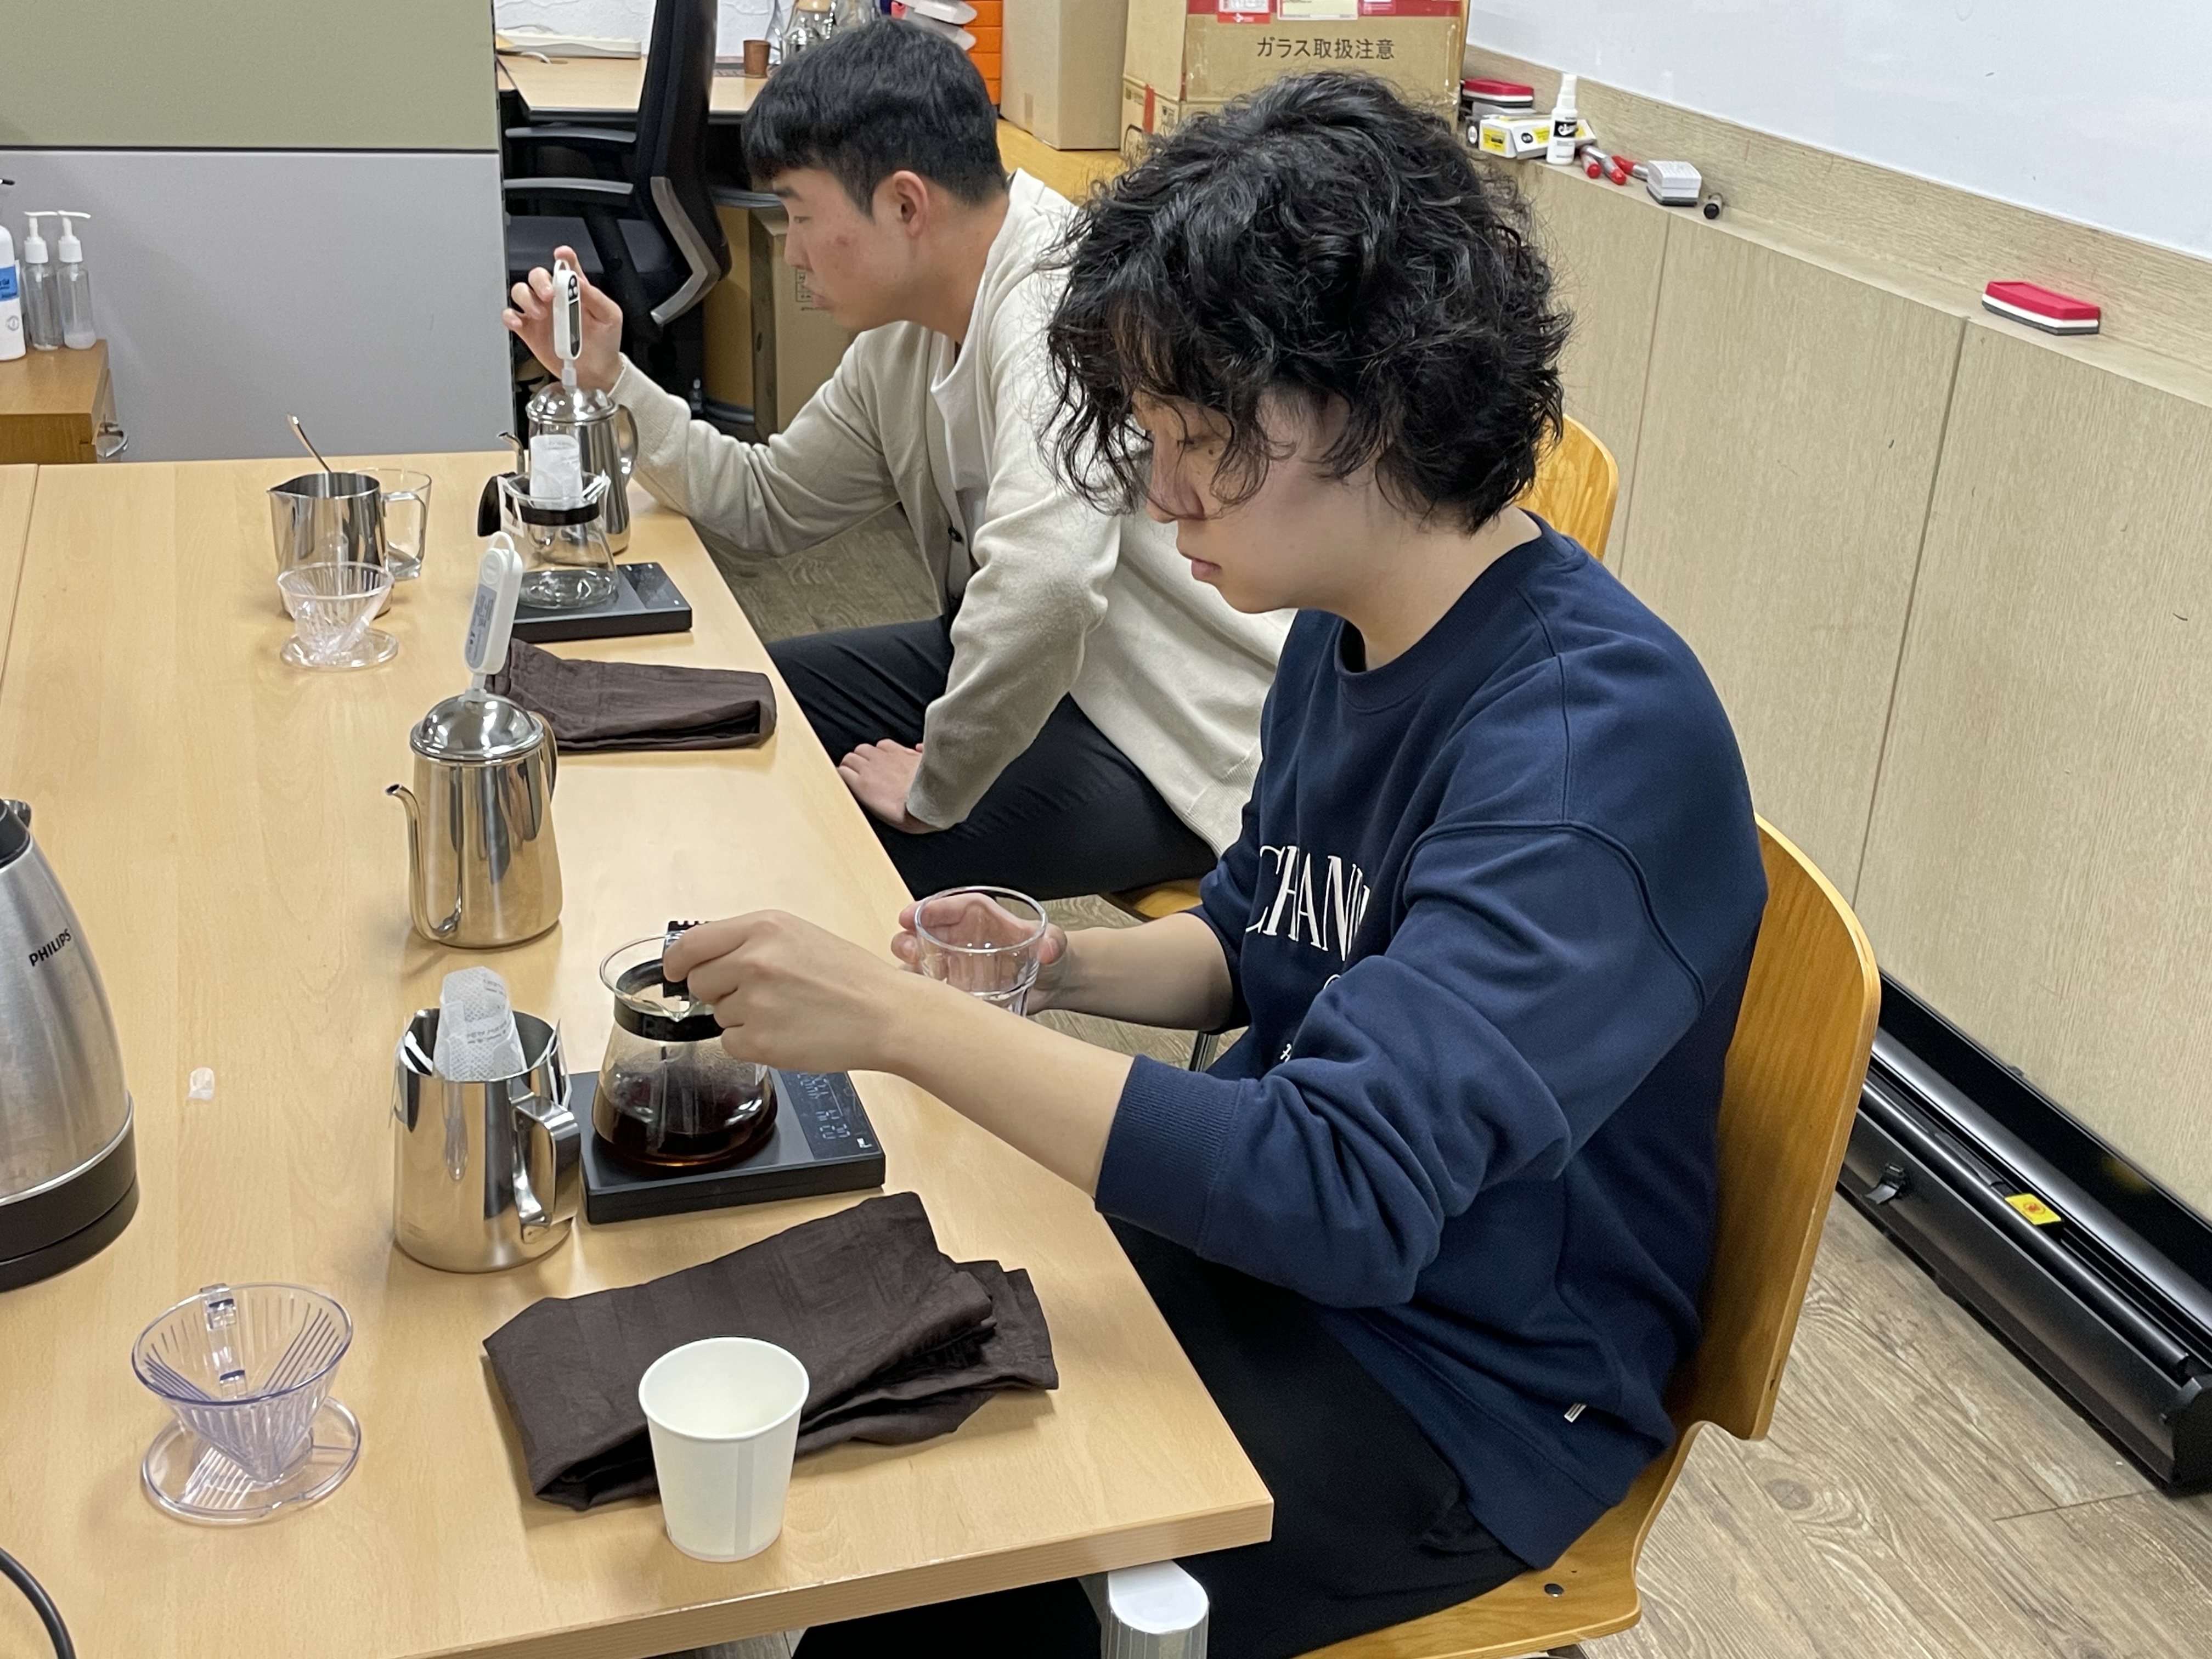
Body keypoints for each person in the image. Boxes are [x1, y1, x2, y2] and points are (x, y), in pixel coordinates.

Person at [661, 72, 1769, 1659]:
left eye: (1196, 439)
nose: (1161, 490)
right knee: (859, 1356)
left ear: (1372, 406)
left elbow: (1342, 1192)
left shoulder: (1591, 755)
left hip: (1466, 1389)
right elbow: (1257, 940)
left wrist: (904, 1023)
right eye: (1155, 436)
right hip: (1301, 1257)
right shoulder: (1344, 619)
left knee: (923, 1577)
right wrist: (1050, 964)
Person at [503, 20, 1284, 901]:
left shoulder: (1058, 309)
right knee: (722, 711)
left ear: (907, 206)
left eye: (802, 216)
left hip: (1177, 743)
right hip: (1044, 678)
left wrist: (936, 784)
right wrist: (611, 376)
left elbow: (1048, 588)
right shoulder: (907, 335)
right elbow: (764, 504)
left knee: (815, 840)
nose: (792, 250)